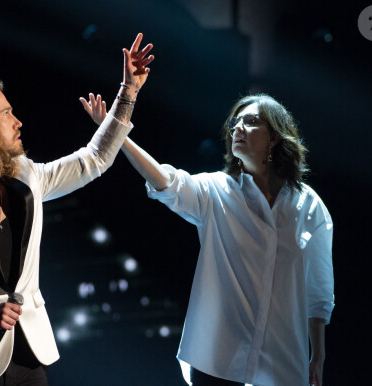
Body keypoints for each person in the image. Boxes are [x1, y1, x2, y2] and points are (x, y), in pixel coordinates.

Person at [0, 33, 154, 386]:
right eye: (7, 114)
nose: (18, 122)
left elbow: (93, 159)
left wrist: (128, 93)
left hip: (29, 355)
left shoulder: (25, 176)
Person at [80, 93, 334, 386]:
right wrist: (117, 133)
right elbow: (166, 181)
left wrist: (319, 355)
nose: (238, 127)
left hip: (282, 366)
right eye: (235, 122)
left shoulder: (310, 206)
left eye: (251, 121)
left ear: (275, 137)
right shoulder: (217, 190)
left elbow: (319, 293)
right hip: (217, 363)